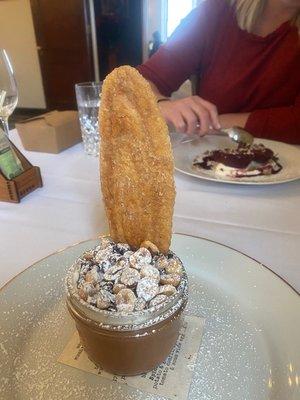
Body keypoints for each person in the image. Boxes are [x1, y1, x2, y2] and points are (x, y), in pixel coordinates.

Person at [137, 0, 300, 144]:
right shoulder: (216, 12)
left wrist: (216, 123)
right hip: (207, 167)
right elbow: (135, 82)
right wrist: (160, 103)